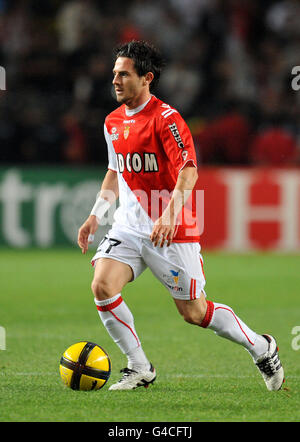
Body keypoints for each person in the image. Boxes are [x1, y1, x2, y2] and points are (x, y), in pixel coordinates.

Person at [77, 40, 284, 391]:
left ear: (147, 79)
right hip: (128, 227)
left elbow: (189, 170)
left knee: (195, 313)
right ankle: (139, 366)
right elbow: (115, 170)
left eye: (124, 74)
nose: (115, 80)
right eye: (114, 73)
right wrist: (96, 214)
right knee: (102, 285)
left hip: (171, 231)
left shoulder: (166, 119)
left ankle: (262, 347)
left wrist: (170, 215)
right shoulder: (112, 122)